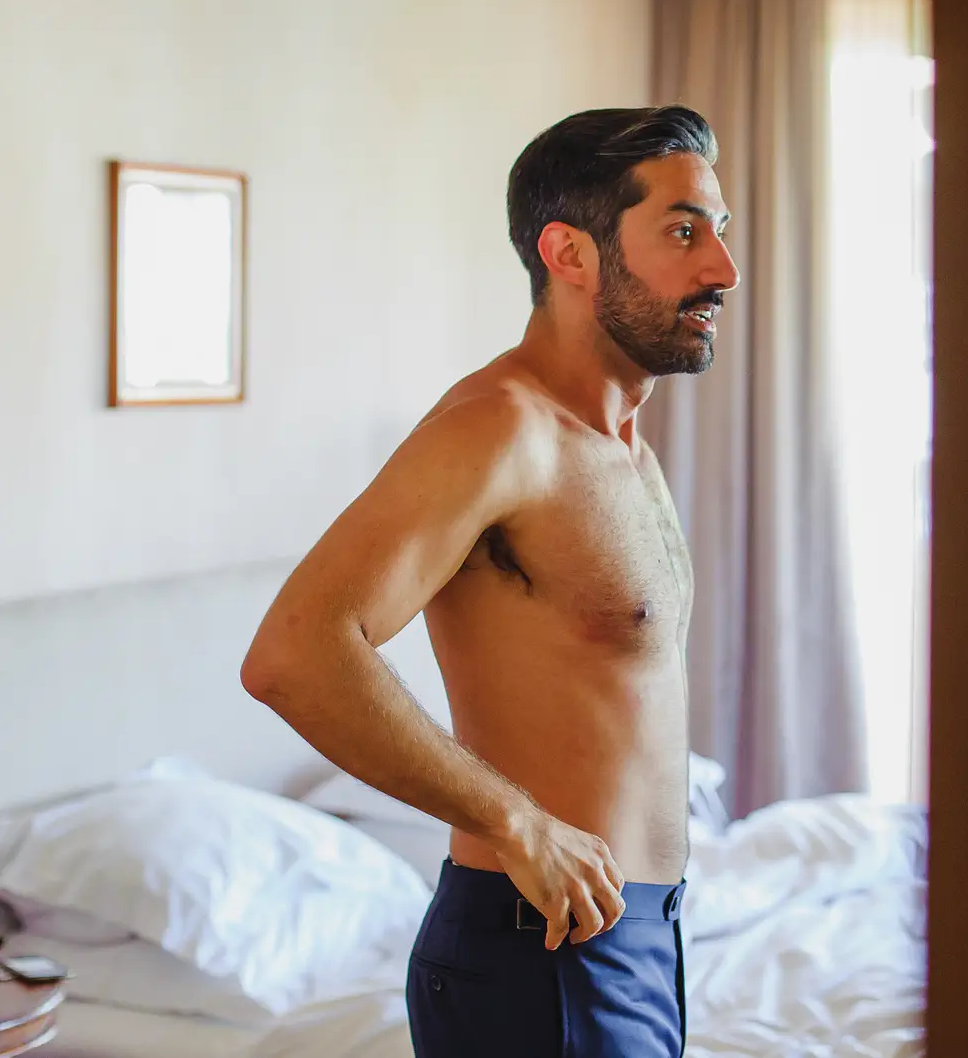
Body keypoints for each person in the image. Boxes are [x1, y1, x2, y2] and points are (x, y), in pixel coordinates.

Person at [240, 105, 738, 1057]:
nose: (723, 267)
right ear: (569, 252)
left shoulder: (624, 445)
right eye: (684, 232)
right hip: (538, 954)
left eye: (718, 229)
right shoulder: (499, 429)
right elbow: (295, 653)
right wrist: (518, 823)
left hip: (638, 942)